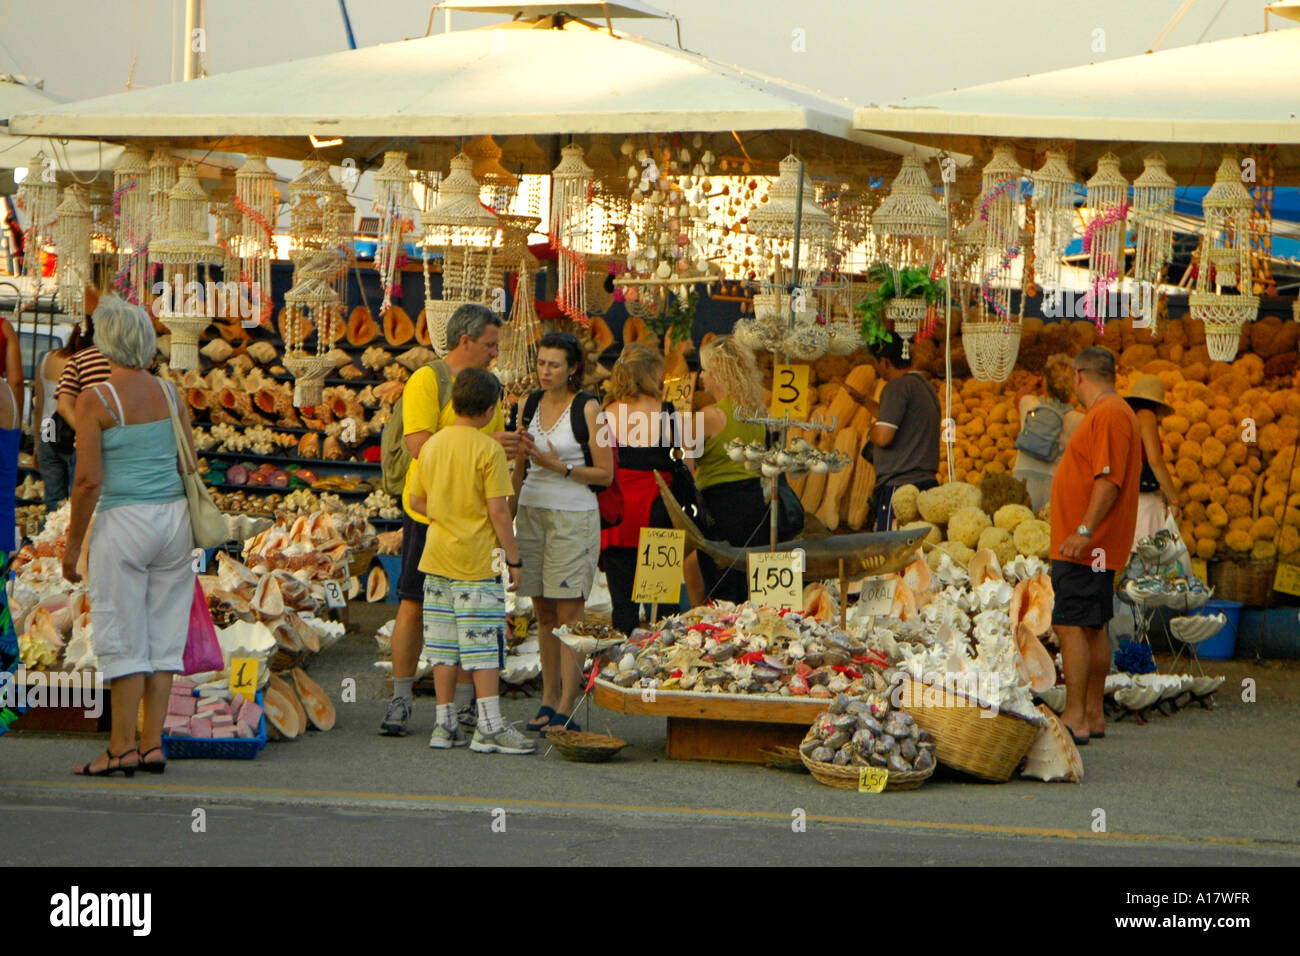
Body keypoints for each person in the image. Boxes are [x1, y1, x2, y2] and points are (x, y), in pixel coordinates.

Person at [380, 304, 531, 738]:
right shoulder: (427, 380)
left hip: (474, 520)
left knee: (469, 616)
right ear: (465, 341)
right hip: (428, 515)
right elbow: (417, 444)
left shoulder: (490, 387)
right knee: (413, 603)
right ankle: (401, 699)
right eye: (489, 345)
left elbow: (487, 453)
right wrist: (485, 441)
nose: (494, 353)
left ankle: (461, 710)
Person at [61, 296, 196, 776]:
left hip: (124, 522)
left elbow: (88, 481)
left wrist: (73, 544)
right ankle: (154, 743)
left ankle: (120, 750)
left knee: (123, 635)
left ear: (106, 342)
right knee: (163, 637)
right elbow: (189, 465)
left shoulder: (97, 398)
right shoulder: (170, 393)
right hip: (174, 522)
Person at [407, 368, 534, 754]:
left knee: (443, 647)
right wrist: (513, 558)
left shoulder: (433, 445)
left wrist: (447, 513)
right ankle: (490, 726)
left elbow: (416, 500)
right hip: (476, 562)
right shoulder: (488, 450)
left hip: (436, 559)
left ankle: (443, 725)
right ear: (490, 409)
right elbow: (498, 510)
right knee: (484, 645)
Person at [511, 331, 613, 735]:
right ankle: (548, 696)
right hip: (533, 513)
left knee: (570, 611)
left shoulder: (591, 410)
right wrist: (509, 513)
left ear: (573, 368)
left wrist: (561, 468)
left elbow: (605, 473)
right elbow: (520, 466)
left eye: (554, 364)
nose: (545, 371)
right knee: (542, 610)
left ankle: (569, 700)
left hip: (574, 514)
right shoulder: (528, 404)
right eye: (540, 363)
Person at [1049, 347, 1142, 746]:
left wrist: (1083, 530)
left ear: (1078, 375)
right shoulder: (1118, 413)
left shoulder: (1107, 414)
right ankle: (1092, 712)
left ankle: (1075, 717)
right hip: (1094, 545)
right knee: (1091, 626)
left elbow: (1108, 481)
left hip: (1086, 546)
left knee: (1070, 624)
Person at [600, 343, 685, 635]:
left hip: (618, 516)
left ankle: (619, 669)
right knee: (663, 608)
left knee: (622, 606)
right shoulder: (667, 412)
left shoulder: (606, 412)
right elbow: (689, 464)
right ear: (651, 374)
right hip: (659, 511)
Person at [687, 335, 768, 605]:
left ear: (718, 374)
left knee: (722, 591)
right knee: (749, 587)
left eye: (705, 370)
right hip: (755, 503)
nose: (701, 376)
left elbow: (685, 469)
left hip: (718, 509)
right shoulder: (757, 412)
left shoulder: (708, 417)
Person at [865, 332, 941, 532]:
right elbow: (904, 422)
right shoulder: (924, 386)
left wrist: (870, 432)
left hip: (900, 488)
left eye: (875, 362)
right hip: (926, 484)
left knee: (893, 554)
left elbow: (883, 437)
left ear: (884, 361)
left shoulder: (896, 387)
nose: (876, 367)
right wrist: (863, 401)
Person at [1011, 353, 1086, 512]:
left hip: (1020, 481)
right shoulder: (1078, 420)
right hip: (1053, 487)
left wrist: (1031, 385)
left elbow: (1018, 397)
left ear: (1045, 382)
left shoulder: (1030, 405)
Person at [33, 317, 91, 510]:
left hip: (47, 433)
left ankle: (45, 539)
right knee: (76, 504)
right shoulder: (84, 365)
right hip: (73, 435)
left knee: (53, 503)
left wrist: (35, 445)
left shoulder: (47, 358)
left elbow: (39, 405)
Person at [1121, 374, 1180, 548]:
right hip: (1143, 500)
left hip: (1127, 497)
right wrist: (1174, 499)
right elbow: (1155, 461)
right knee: (1148, 559)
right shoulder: (1146, 415)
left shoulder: (1128, 417)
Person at [55, 335, 112, 429]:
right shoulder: (139, 360)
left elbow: (64, 405)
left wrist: (86, 432)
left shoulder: (80, 358)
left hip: (89, 438)